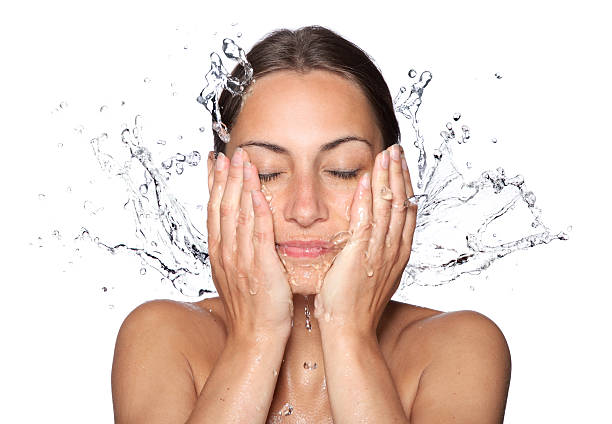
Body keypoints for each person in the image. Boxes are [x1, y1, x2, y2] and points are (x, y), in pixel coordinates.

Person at [111, 25, 511, 423]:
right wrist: (257, 338)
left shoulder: (459, 348)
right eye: (267, 173)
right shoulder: (162, 338)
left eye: (342, 170)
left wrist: (348, 332)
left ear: (395, 181)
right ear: (218, 184)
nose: (305, 210)